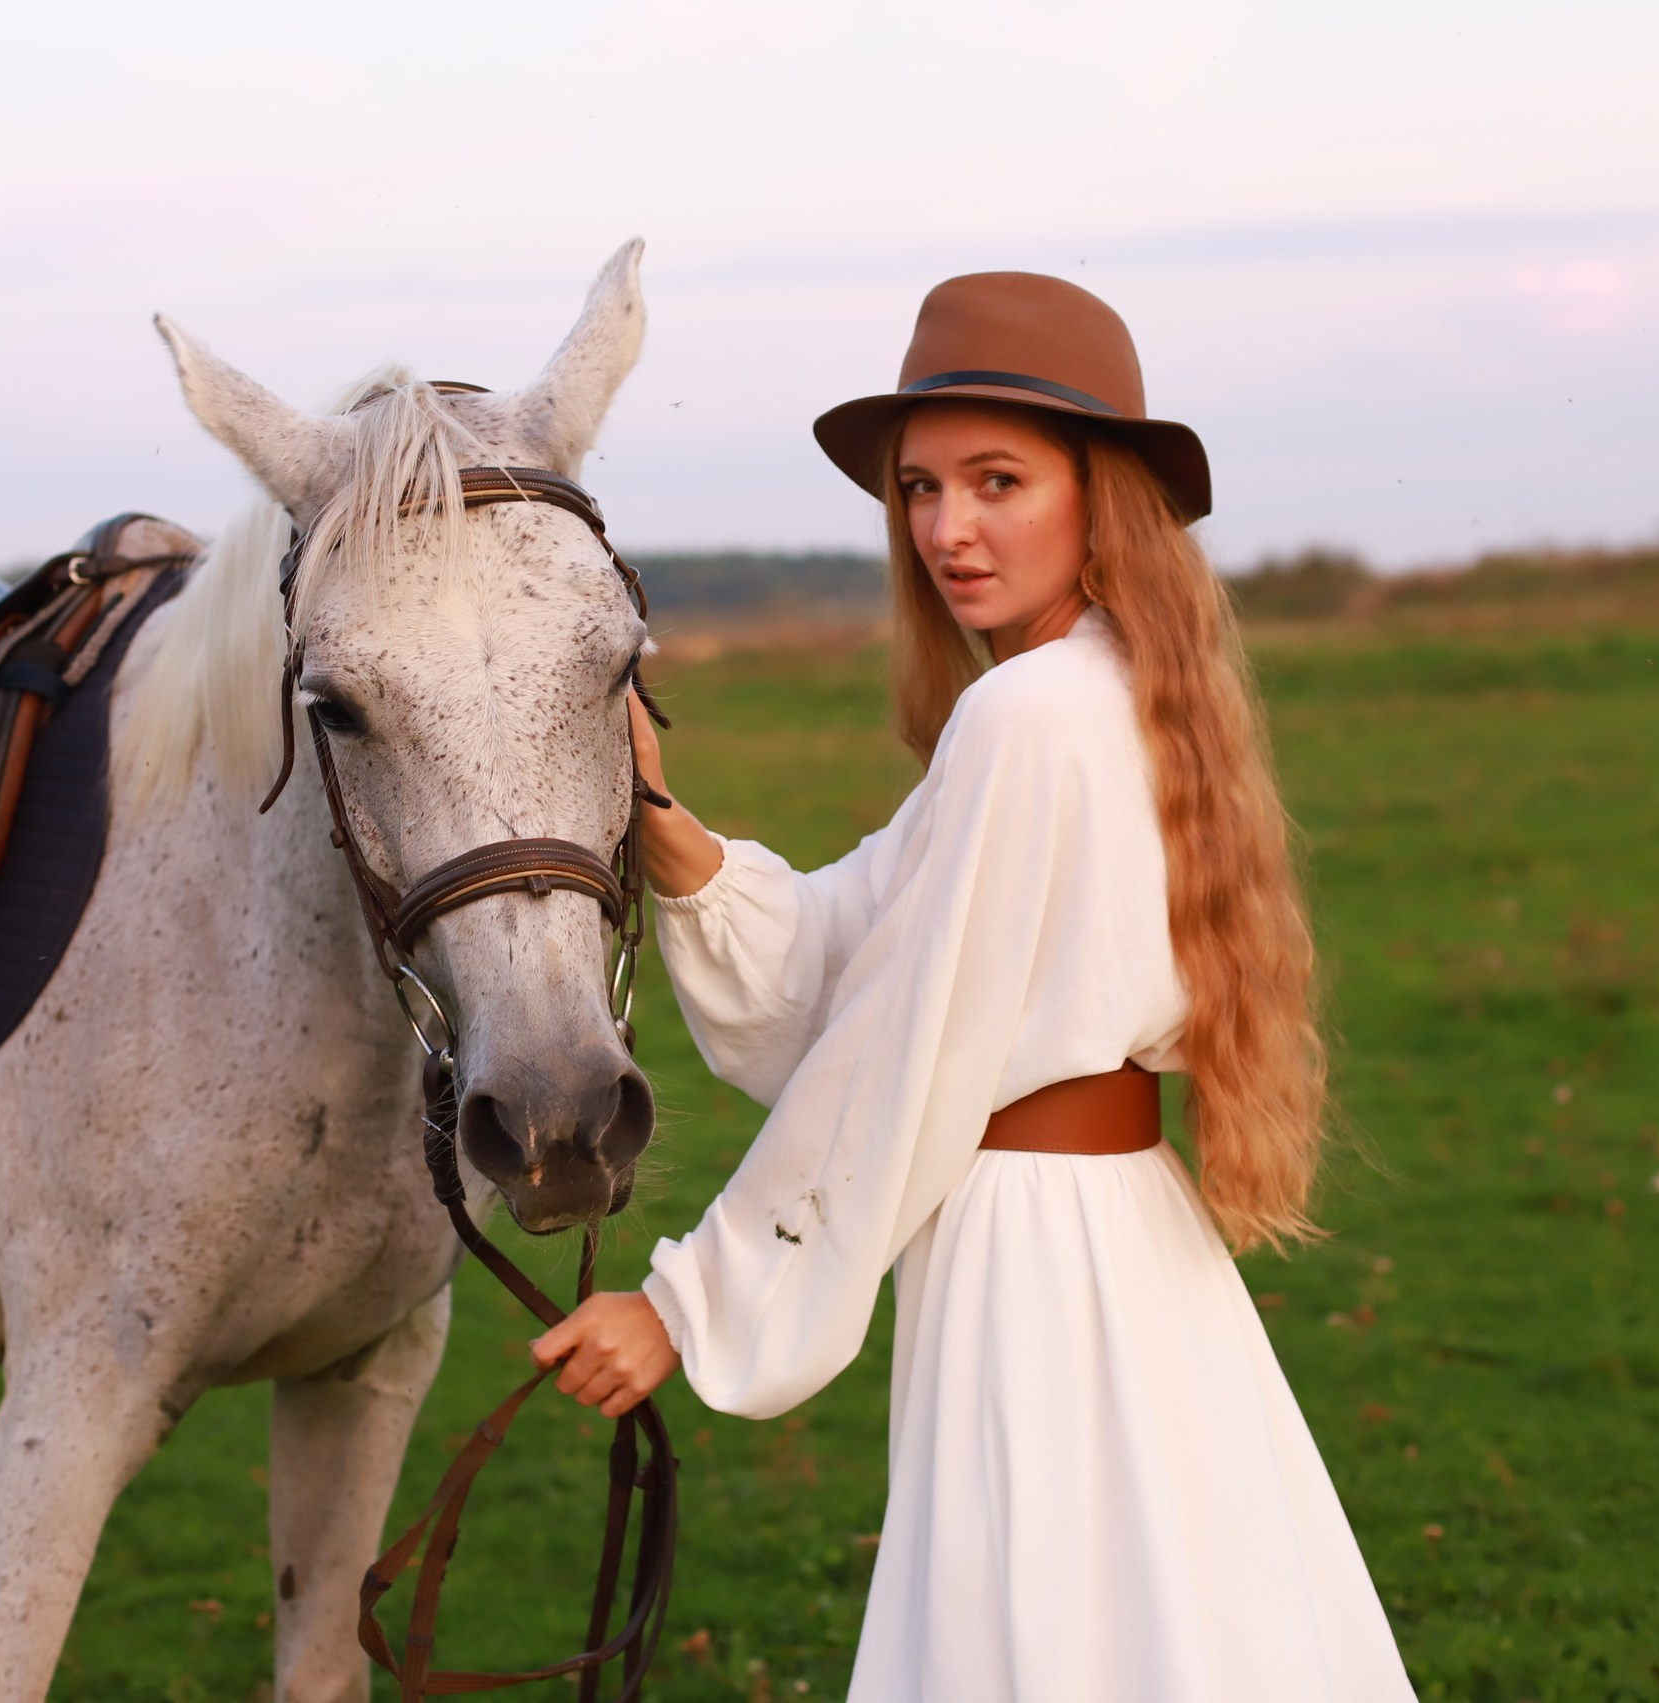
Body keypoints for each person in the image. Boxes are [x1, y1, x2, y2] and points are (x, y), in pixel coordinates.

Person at [531, 272, 1415, 1700]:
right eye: (921, 488)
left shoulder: (1031, 718)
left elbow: (900, 1052)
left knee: (1054, 1623)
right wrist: (668, 829)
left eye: (998, 481)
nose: (948, 529)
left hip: (1039, 1263)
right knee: (1172, 1613)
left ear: (1098, 494)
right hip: (1119, 1235)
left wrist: (686, 1307)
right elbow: (855, 954)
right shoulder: (1101, 690)